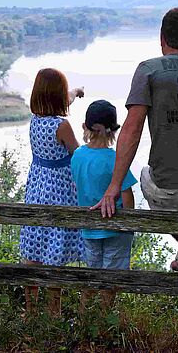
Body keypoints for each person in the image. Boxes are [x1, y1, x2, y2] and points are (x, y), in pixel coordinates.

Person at [92, 7, 178, 327]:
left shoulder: (149, 70)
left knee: (144, 176)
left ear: (161, 38)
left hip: (169, 189)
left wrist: (114, 187)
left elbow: (132, 128)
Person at [19, 67, 85, 317]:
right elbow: (76, 154)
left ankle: (31, 310)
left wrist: (75, 92)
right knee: (54, 249)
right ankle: (53, 311)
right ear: (58, 97)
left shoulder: (35, 120)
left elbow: (63, 100)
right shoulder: (63, 126)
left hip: (37, 186)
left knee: (35, 246)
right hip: (59, 189)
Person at [71, 99, 137, 312]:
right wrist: (130, 225)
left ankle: (84, 316)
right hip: (114, 229)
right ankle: (103, 318)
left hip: (89, 230)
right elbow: (126, 196)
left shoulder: (78, 155)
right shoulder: (116, 159)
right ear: (113, 131)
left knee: (93, 275)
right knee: (111, 278)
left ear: (86, 127)